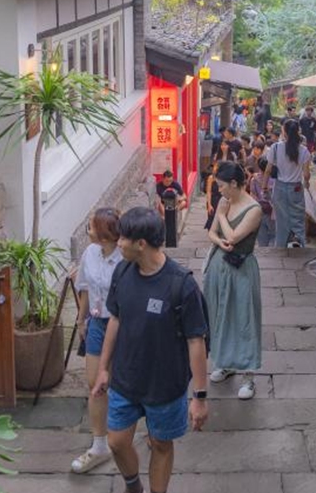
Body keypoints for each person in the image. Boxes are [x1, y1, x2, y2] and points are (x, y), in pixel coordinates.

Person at [92, 207, 209, 493]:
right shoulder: (123, 271)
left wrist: (199, 397)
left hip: (164, 385)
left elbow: (196, 341)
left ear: (141, 244)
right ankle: (134, 485)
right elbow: (116, 319)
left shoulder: (181, 285)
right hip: (125, 378)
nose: (118, 244)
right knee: (117, 441)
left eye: (123, 239)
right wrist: (103, 369)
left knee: (160, 443)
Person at [203, 161, 264, 400]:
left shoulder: (254, 209)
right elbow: (213, 233)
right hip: (220, 265)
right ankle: (225, 363)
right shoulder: (224, 202)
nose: (219, 191)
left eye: (221, 186)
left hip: (242, 270)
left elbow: (234, 236)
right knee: (219, 315)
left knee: (244, 318)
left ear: (234, 184)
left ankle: (249, 376)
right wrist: (219, 242)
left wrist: (221, 217)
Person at [70, 209, 124, 474]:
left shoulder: (125, 258)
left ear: (104, 235)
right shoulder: (90, 253)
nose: (87, 231)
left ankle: (145, 430)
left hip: (123, 325)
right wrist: (81, 321)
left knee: (127, 383)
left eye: (90, 228)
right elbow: (86, 289)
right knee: (95, 383)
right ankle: (99, 444)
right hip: (97, 324)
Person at [268, 119, 311, 248]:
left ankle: (280, 247)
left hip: (280, 187)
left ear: (284, 132)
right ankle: (300, 244)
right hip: (296, 187)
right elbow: (306, 174)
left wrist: (264, 186)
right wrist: (307, 183)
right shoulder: (304, 151)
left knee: (281, 221)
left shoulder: (275, 148)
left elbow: (268, 169)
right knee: (298, 219)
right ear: (298, 132)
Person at [154, 170, 186, 249]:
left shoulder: (175, 184)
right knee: (159, 204)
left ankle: (173, 213)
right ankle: (166, 216)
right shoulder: (159, 186)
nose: (169, 183)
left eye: (170, 181)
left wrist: (179, 199)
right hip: (163, 204)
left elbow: (184, 196)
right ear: (163, 179)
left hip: (174, 203)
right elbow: (157, 198)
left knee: (184, 203)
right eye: (167, 181)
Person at [249, 158, 276, 246]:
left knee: (261, 237)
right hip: (272, 211)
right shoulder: (274, 180)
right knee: (273, 235)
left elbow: (253, 195)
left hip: (259, 209)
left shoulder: (254, 179)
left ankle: (263, 256)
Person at [203, 162, 223, 231]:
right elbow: (208, 192)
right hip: (213, 200)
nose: (215, 169)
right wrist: (209, 204)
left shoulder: (223, 178)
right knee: (211, 219)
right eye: (215, 167)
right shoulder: (211, 178)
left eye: (217, 167)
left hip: (222, 200)